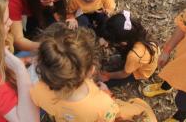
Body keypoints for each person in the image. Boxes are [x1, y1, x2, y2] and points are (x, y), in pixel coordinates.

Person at [29, 26, 157, 122]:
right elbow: (115, 117)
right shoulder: (103, 104)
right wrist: (109, 94)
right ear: (91, 70)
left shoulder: (36, 90)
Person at [143, 9, 186, 122]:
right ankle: (166, 87)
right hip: (182, 61)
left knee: (182, 102)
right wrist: (167, 50)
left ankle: (180, 117)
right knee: (172, 73)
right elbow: (183, 26)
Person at [98, 11, 159, 88]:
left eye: (111, 41)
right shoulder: (133, 30)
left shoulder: (134, 55)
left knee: (106, 82)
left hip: (140, 72)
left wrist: (107, 75)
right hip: (140, 58)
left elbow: (124, 74)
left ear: (123, 43)